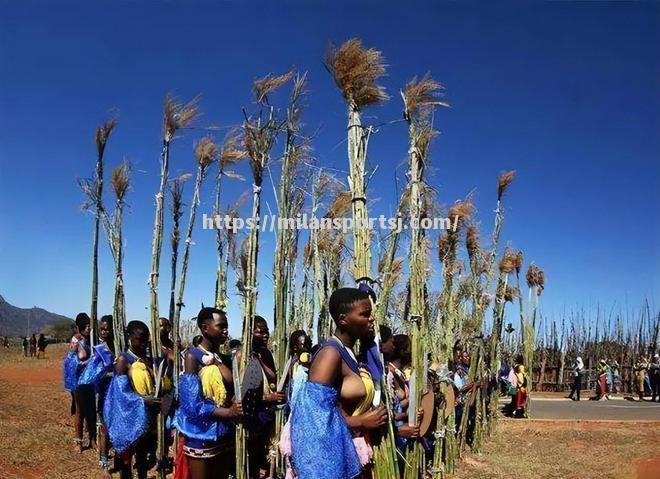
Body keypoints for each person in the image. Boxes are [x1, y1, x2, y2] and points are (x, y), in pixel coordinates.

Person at [290, 288, 388, 479]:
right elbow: (313, 419)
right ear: (343, 319)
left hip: (354, 446)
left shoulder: (349, 352)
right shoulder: (330, 354)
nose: (371, 319)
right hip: (331, 457)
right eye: (364, 314)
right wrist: (361, 421)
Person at [174, 307, 242, 479]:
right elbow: (191, 404)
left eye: (226, 326)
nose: (226, 331)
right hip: (201, 434)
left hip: (223, 433)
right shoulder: (193, 357)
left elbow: (233, 390)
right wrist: (228, 412)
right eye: (221, 326)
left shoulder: (224, 358)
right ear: (205, 328)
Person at [104, 320, 161, 479]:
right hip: (128, 416)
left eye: (146, 339)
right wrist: (143, 400)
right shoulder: (124, 360)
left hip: (146, 416)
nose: (144, 343)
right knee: (127, 459)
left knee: (142, 455)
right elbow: (121, 393)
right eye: (140, 338)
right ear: (130, 337)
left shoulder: (147, 360)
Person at [243, 316, 285, 478]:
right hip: (252, 417)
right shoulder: (243, 356)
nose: (265, 335)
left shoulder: (266, 353)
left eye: (266, 331)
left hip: (267, 416)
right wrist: (268, 398)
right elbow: (244, 395)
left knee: (261, 453)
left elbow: (273, 378)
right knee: (250, 457)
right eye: (260, 331)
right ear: (249, 332)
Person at [79, 315, 116, 478]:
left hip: (118, 394)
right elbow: (92, 374)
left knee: (115, 429)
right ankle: (104, 464)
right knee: (103, 429)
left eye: (107, 328)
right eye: (101, 329)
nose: (104, 332)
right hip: (103, 393)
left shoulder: (120, 347)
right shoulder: (98, 349)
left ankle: (120, 460)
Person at [384, 332, 420, 462]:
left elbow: (401, 404)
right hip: (395, 431)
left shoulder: (400, 373)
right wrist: (407, 412)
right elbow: (392, 409)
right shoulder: (389, 374)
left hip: (402, 429)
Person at [63, 313, 96, 453]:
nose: (88, 328)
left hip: (92, 380)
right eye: (86, 325)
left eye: (89, 325)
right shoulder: (76, 341)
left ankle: (93, 440)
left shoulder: (93, 340)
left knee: (91, 411)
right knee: (79, 410)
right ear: (80, 326)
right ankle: (78, 441)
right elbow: (70, 361)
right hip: (78, 380)